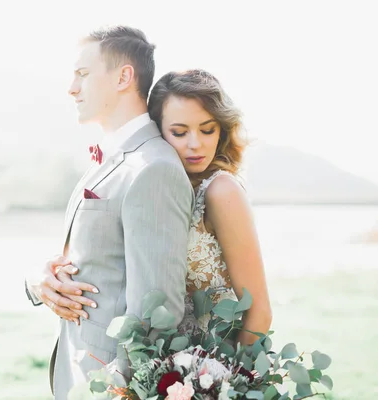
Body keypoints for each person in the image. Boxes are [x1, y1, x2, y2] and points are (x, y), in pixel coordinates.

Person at [42, 68, 273, 348]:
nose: (195, 144)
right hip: (157, 368)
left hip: (210, 374)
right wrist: (45, 275)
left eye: (207, 129)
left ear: (221, 130)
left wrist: (227, 380)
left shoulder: (222, 191)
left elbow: (259, 312)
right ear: (157, 131)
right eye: (179, 132)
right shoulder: (148, 187)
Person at [24, 26, 194, 399]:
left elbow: (156, 310)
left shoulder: (153, 168)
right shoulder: (110, 158)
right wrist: (40, 281)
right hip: (75, 374)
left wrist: (114, 388)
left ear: (123, 76)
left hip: (107, 387)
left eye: (83, 74)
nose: (71, 87)